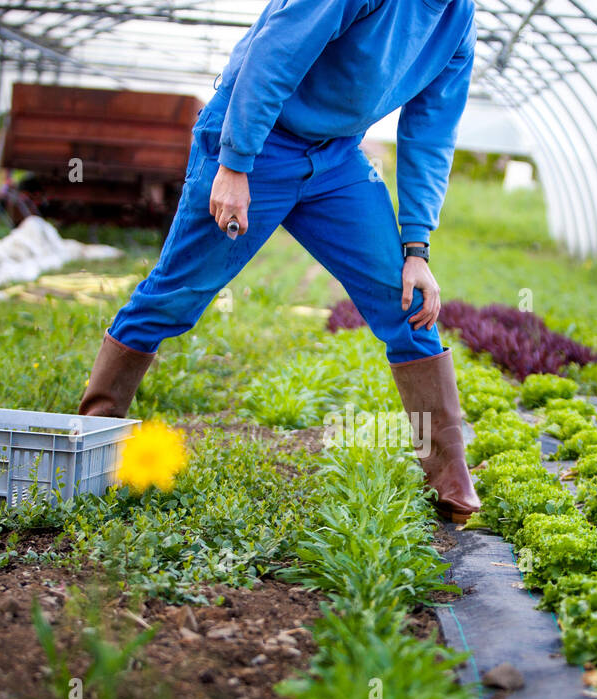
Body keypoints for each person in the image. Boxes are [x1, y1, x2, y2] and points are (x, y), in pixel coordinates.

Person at [78, 0, 480, 521]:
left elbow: (430, 133)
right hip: (256, 142)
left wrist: (417, 247)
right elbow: (276, 52)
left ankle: (450, 474)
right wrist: (235, 163)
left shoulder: (458, 19)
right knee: (175, 296)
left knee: (409, 303)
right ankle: (90, 437)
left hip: (335, 158)